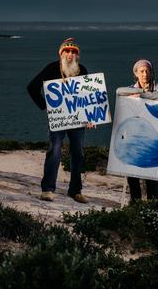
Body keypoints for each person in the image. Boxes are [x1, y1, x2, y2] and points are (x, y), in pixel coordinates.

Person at [27, 37, 92, 204]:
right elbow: (32, 87)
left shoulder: (82, 70)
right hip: (59, 119)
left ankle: (75, 191)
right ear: (61, 53)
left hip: (78, 120)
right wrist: (45, 106)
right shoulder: (51, 68)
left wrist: (90, 117)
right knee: (54, 151)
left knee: (78, 153)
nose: (70, 54)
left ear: (77, 55)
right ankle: (48, 189)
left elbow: (89, 97)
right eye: (67, 51)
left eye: (74, 52)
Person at [116, 59, 158, 201]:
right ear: (136, 74)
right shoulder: (131, 87)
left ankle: (154, 204)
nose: (145, 74)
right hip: (134, 136)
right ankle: (135, 203)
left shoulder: (157, 87)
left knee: (151, 174)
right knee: (133, 173)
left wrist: (141, 95)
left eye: (147, 71)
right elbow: (119, 91)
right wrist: (140, 91)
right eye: (141, 71)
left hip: (151, 136)